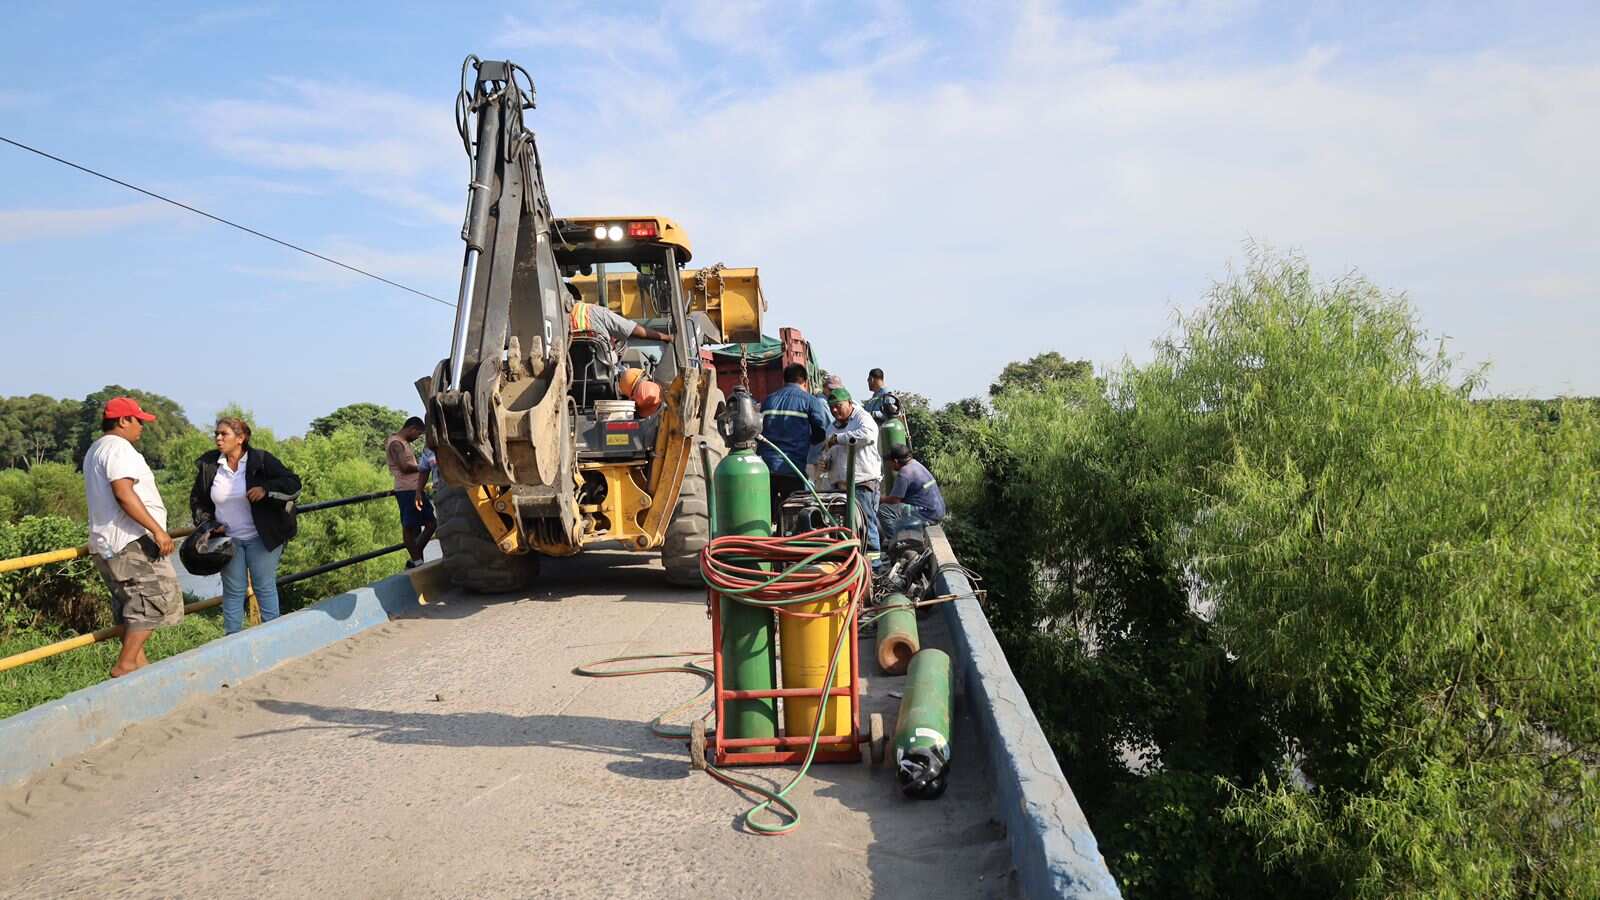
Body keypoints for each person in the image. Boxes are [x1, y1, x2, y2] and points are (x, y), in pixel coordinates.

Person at [82, 396, 184, 677]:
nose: (142, 426)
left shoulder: (97, 448)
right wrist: (158, 530)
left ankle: (139, 667)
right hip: (127, 541)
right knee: (150, 604)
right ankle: (125, 666)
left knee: (132, 606)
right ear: (123, 420)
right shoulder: (118, 448)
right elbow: (124, 494)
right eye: (138, 420)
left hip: (108, 542)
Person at [189, 417, 302, 635]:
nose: (218, 438)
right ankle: (232, 639)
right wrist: (208, 524)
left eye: (224, 434)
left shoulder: (260, 460)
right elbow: (198, 500)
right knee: (234, 591)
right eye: (216, 434)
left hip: (262, 537)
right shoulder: (210, 465)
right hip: (228, 540)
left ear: (241, 438)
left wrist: (265, 489)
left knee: (264, 587)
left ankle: (273, 635)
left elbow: (293, 482)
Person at [758, 363, 829, 521]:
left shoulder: (768, 400)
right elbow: (820, 432)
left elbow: (758, 430)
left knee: (766, 515)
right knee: (794, 515)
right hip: (793, 467)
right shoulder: (810, 401)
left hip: (767, 467)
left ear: (784, 381)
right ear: (805, 382)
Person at [819, 388, 882, 556]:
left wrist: (838, 439)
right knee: (842, 528)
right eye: (831, 407)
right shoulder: (832, 428)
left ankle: (874, 566)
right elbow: (829, 451)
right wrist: (826, 462)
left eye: (838, 406)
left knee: (866, 525)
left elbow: (867, 436)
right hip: (839, 487)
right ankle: (849, 563)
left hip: (862, 484)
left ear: (849, 403)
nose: (834, 410)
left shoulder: (863, 418)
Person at [387, 417, 436, 568]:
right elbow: (404, 467)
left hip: (415, 488)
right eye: (418, 434)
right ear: (412, 429)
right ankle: (417, 560)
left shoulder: (402, 443)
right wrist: (424, 466)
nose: (417, 438)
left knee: (430, 523)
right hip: (406, 490)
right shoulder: (396, 444)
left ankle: (416, 557)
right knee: (409, 526)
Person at [566, 282, 673, 351]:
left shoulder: (558, 321)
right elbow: (631, 329)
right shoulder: (594, 311)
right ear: (577, 297)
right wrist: (666, 337)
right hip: (602, 371)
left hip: (568, 372)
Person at [878, 444, 946, 539]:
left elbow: (894, 501)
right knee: (900, 509)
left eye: (890, 462)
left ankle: (896, 541)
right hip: (937, 512)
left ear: (896, 461)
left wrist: (877, 498)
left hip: (926, 514)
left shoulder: (905, 473)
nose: (889, 465)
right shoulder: (916, 464)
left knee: (884, 510)